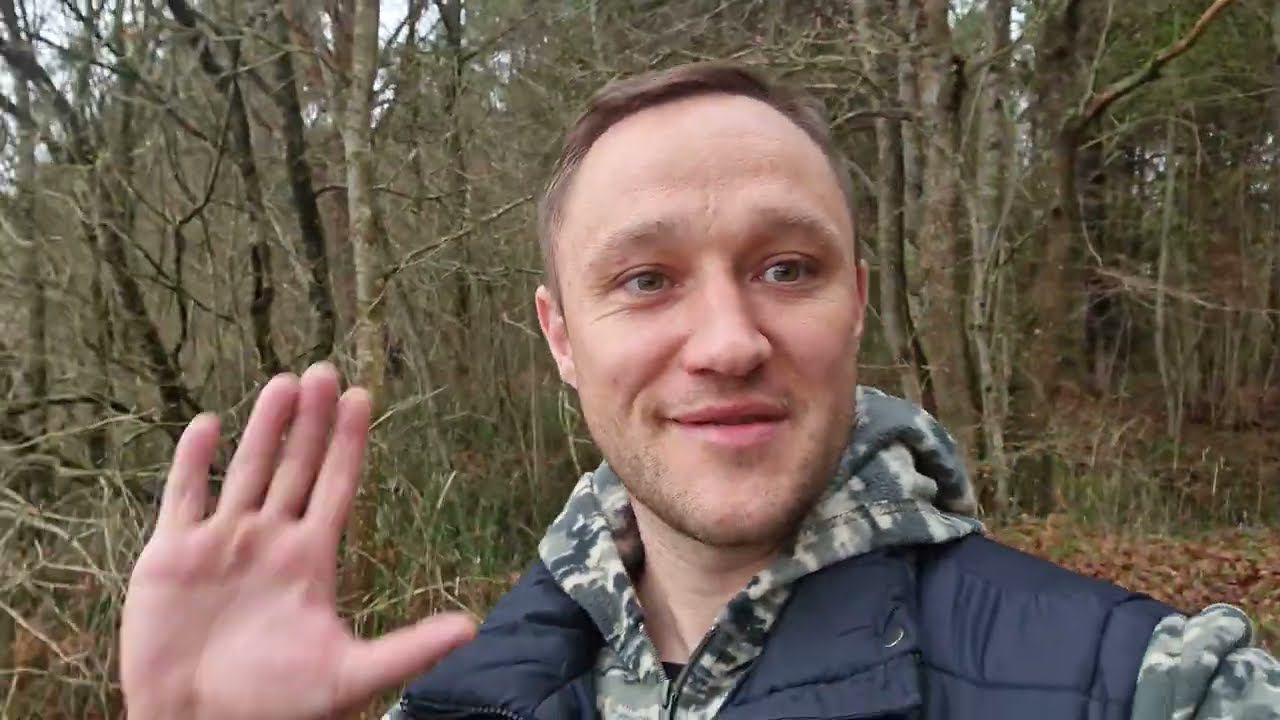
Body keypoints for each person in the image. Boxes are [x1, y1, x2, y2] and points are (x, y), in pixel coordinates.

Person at [120, 62, 1280, 720]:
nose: (726, 342)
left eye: (787, 268)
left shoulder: (1148, 687)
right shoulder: (461, 705)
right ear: (559, 336)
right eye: (645, 280)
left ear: (856, 301)